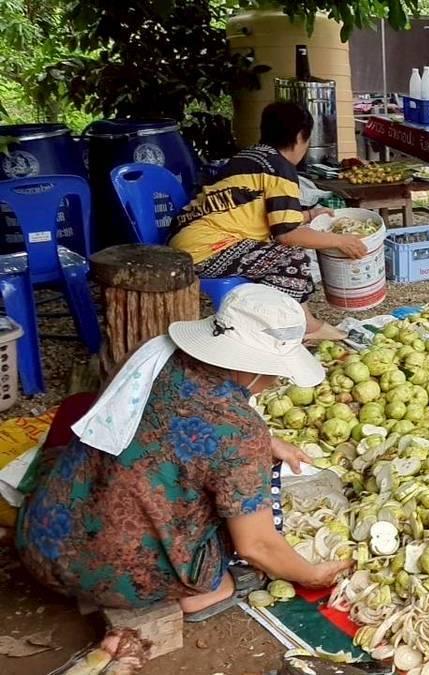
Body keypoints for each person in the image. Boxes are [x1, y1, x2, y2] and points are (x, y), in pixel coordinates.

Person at [16, 285, 350, 620]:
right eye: (276, 372)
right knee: (232, 524)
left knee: (85, 433)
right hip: (111, 579)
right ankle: (201, 595)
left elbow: (159, 425)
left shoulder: (154, 353)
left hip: (41, 539)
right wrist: (310, 575)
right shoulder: (239, 430)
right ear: (256, 366)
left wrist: (268, 443)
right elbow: (256, 545)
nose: (275, 381)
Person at [170, 101, 366, 342]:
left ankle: (299, 321)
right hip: (206, 251)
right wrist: (340, 241)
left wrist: (308, 215)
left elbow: (253, 214)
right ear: (300, 137)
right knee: (291, 255)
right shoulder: (280, 169)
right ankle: (303, 327)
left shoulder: (246, 157)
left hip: (185, 241)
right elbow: (287, 235)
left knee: (282, 253)